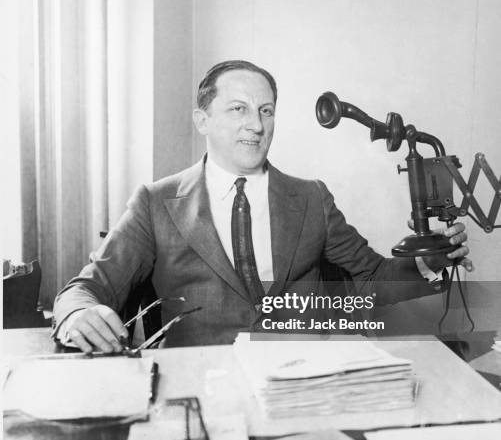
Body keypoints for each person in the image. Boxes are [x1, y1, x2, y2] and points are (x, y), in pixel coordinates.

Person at [53, 60, 470, 352]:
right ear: (202, 120)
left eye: (265, 111)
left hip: (301, 386)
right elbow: (87, 288)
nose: (256, 125)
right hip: (203, 394)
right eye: (238, 109)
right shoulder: (155, 203)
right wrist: (76, 316)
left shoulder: (311, 198)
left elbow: (371, 277)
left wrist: (424, 265)